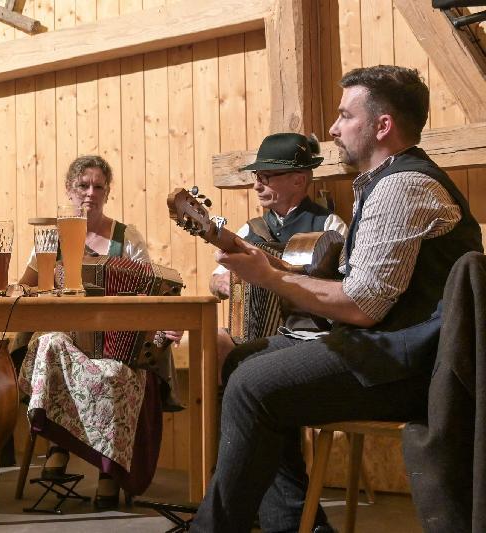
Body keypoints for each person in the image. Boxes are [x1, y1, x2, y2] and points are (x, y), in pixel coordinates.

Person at [191, 65, 483, 532]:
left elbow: (361, 307)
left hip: (413, 366)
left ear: (382, 125)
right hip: (390, 350)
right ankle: (291, 525)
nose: (332, 128)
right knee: (243, 363)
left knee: (253, 385)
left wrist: (268, 276)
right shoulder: (383, 182)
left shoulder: (403, 186)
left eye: (345, 115)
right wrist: (267, 270)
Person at [17, 155, 183, 508]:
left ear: (107, 192)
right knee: (49, 343)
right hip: (69, 341)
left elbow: (153, 289)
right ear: (69, 189)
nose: (90, 193)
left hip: (116, 345)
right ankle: (56, 443)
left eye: (98, 187)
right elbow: (24, 289)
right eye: (83, 185)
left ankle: (110, 471)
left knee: (121, 374)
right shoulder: (51, 237)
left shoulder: (127, 237)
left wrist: (166, 320)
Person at [208, 132, 347, 300]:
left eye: (265, 177)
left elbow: (349, 286)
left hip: (311, 326)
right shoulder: (250, 229)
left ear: (298, 181)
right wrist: (221, 283)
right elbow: (215, 280)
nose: (256, 186)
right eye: (256, 176)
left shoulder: (329, 225)